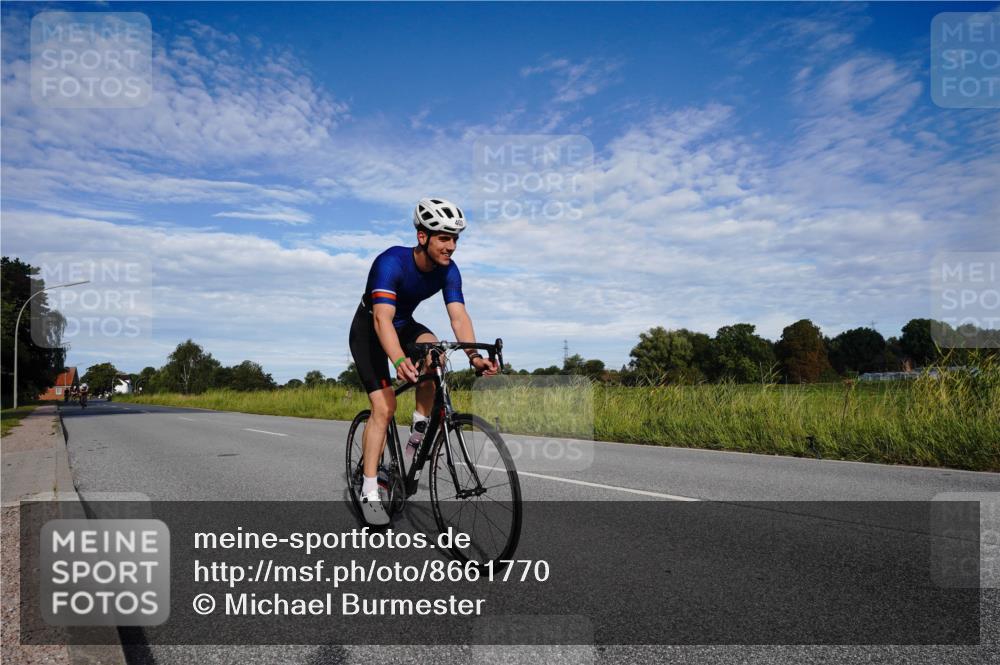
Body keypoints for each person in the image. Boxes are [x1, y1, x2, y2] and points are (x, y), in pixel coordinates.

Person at [349, 197, 498, 526]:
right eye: (444, 238)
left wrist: (475, 357)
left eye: (455, 238)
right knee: (384, 408)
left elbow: (458, 317)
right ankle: (370, 489)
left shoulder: (448, 271)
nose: (452, 246)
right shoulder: (391, 262)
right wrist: (399, 358)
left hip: (403, 326)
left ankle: (416, 437)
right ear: (422, 237)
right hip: (370, 331)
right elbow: (381, 320)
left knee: (437, 356)